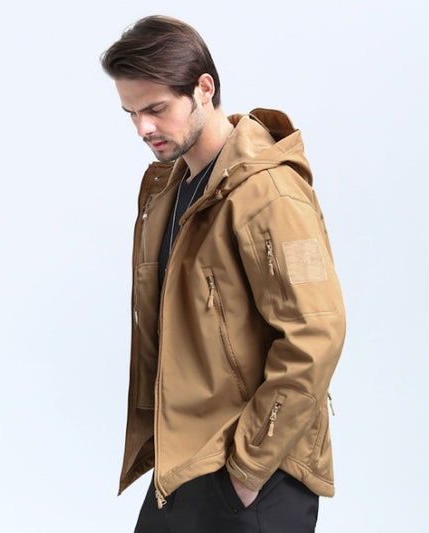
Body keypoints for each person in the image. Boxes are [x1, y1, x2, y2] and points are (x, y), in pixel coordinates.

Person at [101, 15, 345, 533]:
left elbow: (316, 334)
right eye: (131, 113)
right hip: (188, 460)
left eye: (156, 109)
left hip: (255, 475)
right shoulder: (170, 188)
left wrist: (249, 467)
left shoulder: (269, 193)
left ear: (204, 89)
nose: (143, 129)